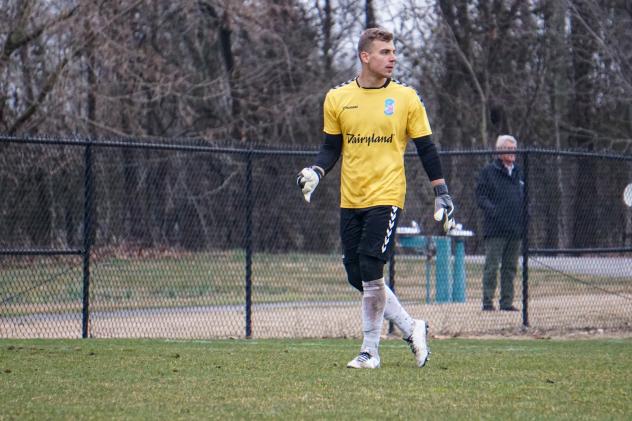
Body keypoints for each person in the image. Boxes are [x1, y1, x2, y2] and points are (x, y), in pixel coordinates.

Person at [296, 27, 455, 369]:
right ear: (365, 57)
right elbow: (330, 147)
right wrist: (316, 172)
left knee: (371, 266)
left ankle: (370, 351)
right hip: (350, 198)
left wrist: (441, 191)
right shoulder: (337, 98)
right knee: (357, 274)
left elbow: (426, 148)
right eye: (384, 52)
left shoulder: (406, 98)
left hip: (387, 195)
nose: (392, 57)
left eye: (393, 51)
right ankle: (412, 327)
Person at [475, 135, 524, 312]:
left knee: (510, 268)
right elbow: (480, 197)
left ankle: (506, 302)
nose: (512, 153)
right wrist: (494, 211)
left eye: (514, 149)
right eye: (508, 149)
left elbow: (526, 196)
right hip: (495, 229)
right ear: (499, 151)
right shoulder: (489, 172)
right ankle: (488, 302)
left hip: (515, 228)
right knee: (492, 267)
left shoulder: (519, 172)